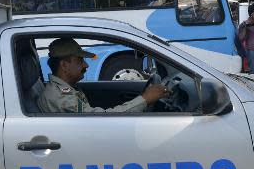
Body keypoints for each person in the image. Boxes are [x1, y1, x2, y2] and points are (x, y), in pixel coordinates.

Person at [37, 37, 168, 113]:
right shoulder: (62, 98)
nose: (86, 66)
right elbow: (103, 119)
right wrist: (145, 99)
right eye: (80, 61)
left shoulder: (63, 90)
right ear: (64, 65)